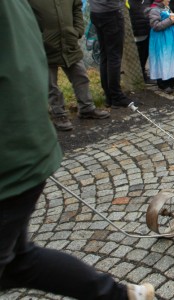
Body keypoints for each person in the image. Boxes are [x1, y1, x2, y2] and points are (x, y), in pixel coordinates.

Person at [0, 1, 154, 300]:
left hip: (12, 151)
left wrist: (72, 32)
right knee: (20, 261)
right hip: (22, 143)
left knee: (19, 260)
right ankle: (123, 295)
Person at [27, 0, 110, 132]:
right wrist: (37, 38)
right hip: (44, 47)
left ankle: (86, 108)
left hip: (69, 42)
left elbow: (77, 6)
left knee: (81, 77)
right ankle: (59, 115)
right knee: (50, 85)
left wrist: (77, 30)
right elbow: (24, 17)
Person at [89, 0, 141, 108]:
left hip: (96, 12)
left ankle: (109, 96)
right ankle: (116, 96)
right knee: (114, 57)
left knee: (105, 55)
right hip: (111, 13)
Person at [146, 0, 174, 94]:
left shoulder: (167, 8)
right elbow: (155, 26)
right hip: (161, 39)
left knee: (170, 59)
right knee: (163, 59)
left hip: (169, 39)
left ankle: (171, 82)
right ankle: (163, 83)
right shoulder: (154, 10)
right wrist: (170, 20)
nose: (169, 0)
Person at [128, 0, 156, 84]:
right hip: (136, 31)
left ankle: (143, 74)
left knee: (144, 54)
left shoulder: (147, 1)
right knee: (139, 55)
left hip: (147, 31)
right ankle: (139, 76)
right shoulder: (130, 2)